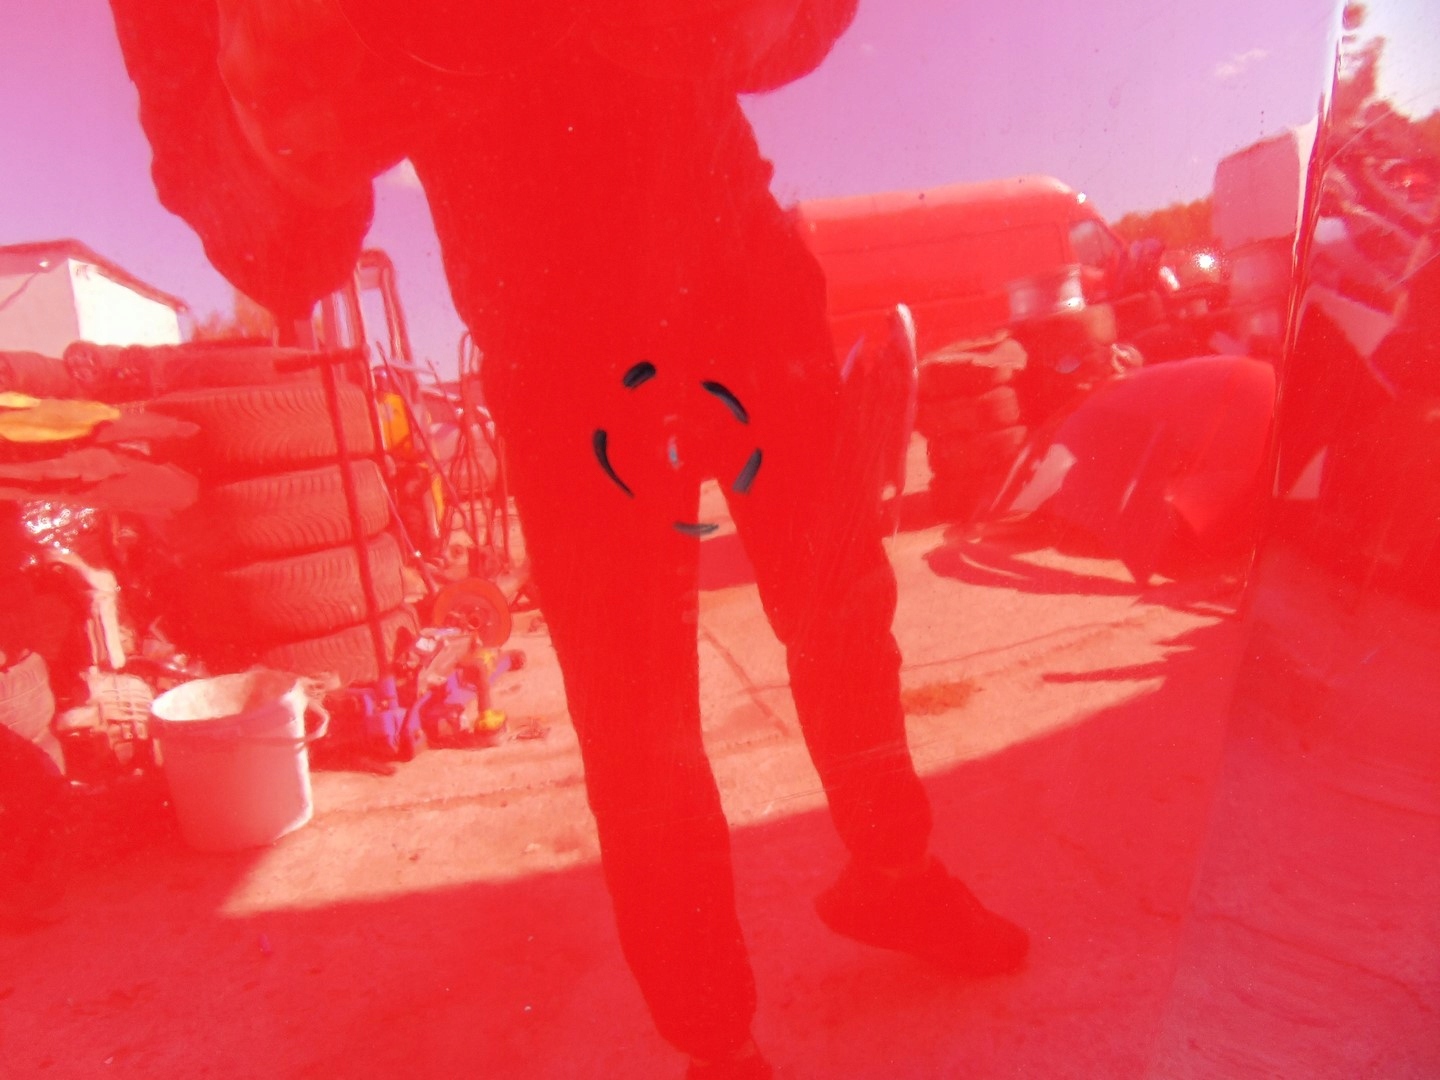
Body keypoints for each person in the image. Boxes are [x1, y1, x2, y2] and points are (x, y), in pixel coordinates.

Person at [108, 2, 1028, 1074]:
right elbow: (267, 220)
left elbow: (799, 23)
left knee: (841, 600)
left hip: (727, 246)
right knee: (640, 718)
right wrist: (284, 104)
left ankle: (896, 874)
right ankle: (716, 1044)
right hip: (558, 319)